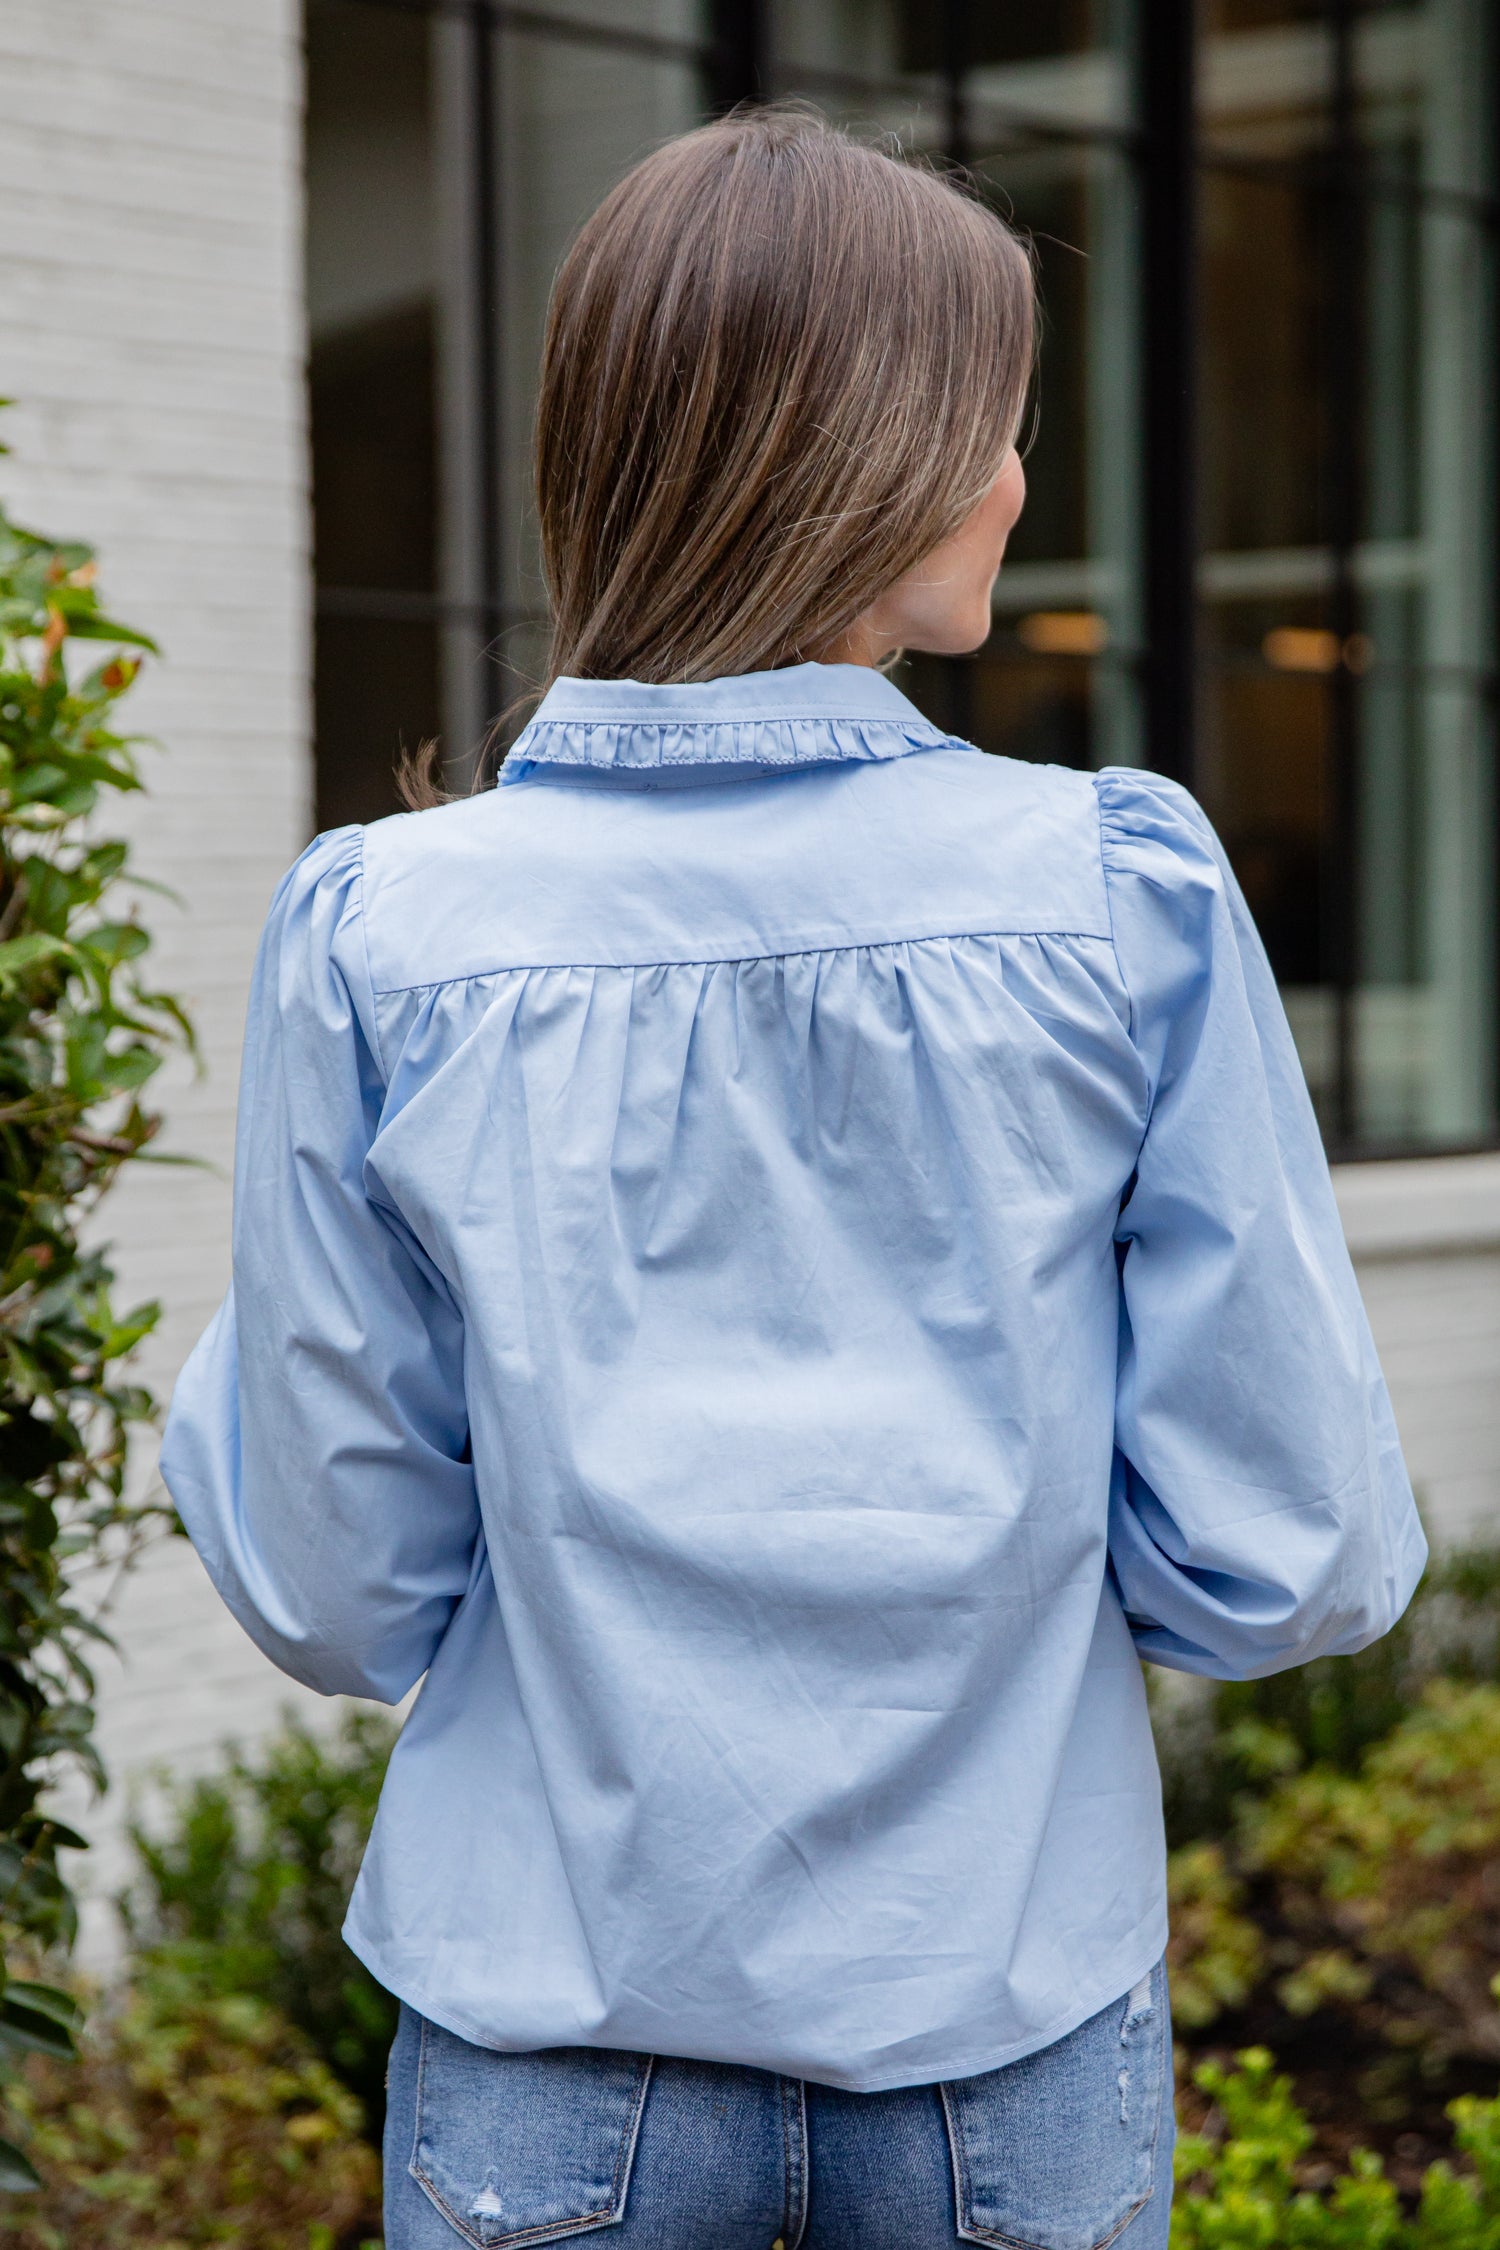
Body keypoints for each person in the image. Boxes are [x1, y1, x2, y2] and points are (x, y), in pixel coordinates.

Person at [161, 107, 1426, 2250]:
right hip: (1004, 2027)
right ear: (857, 460)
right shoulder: (1115, 897)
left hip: (549, 2042)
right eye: (993, 428)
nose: (1020, 482)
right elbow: (1281, 1548)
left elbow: (338, 1580)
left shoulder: (384, 933)